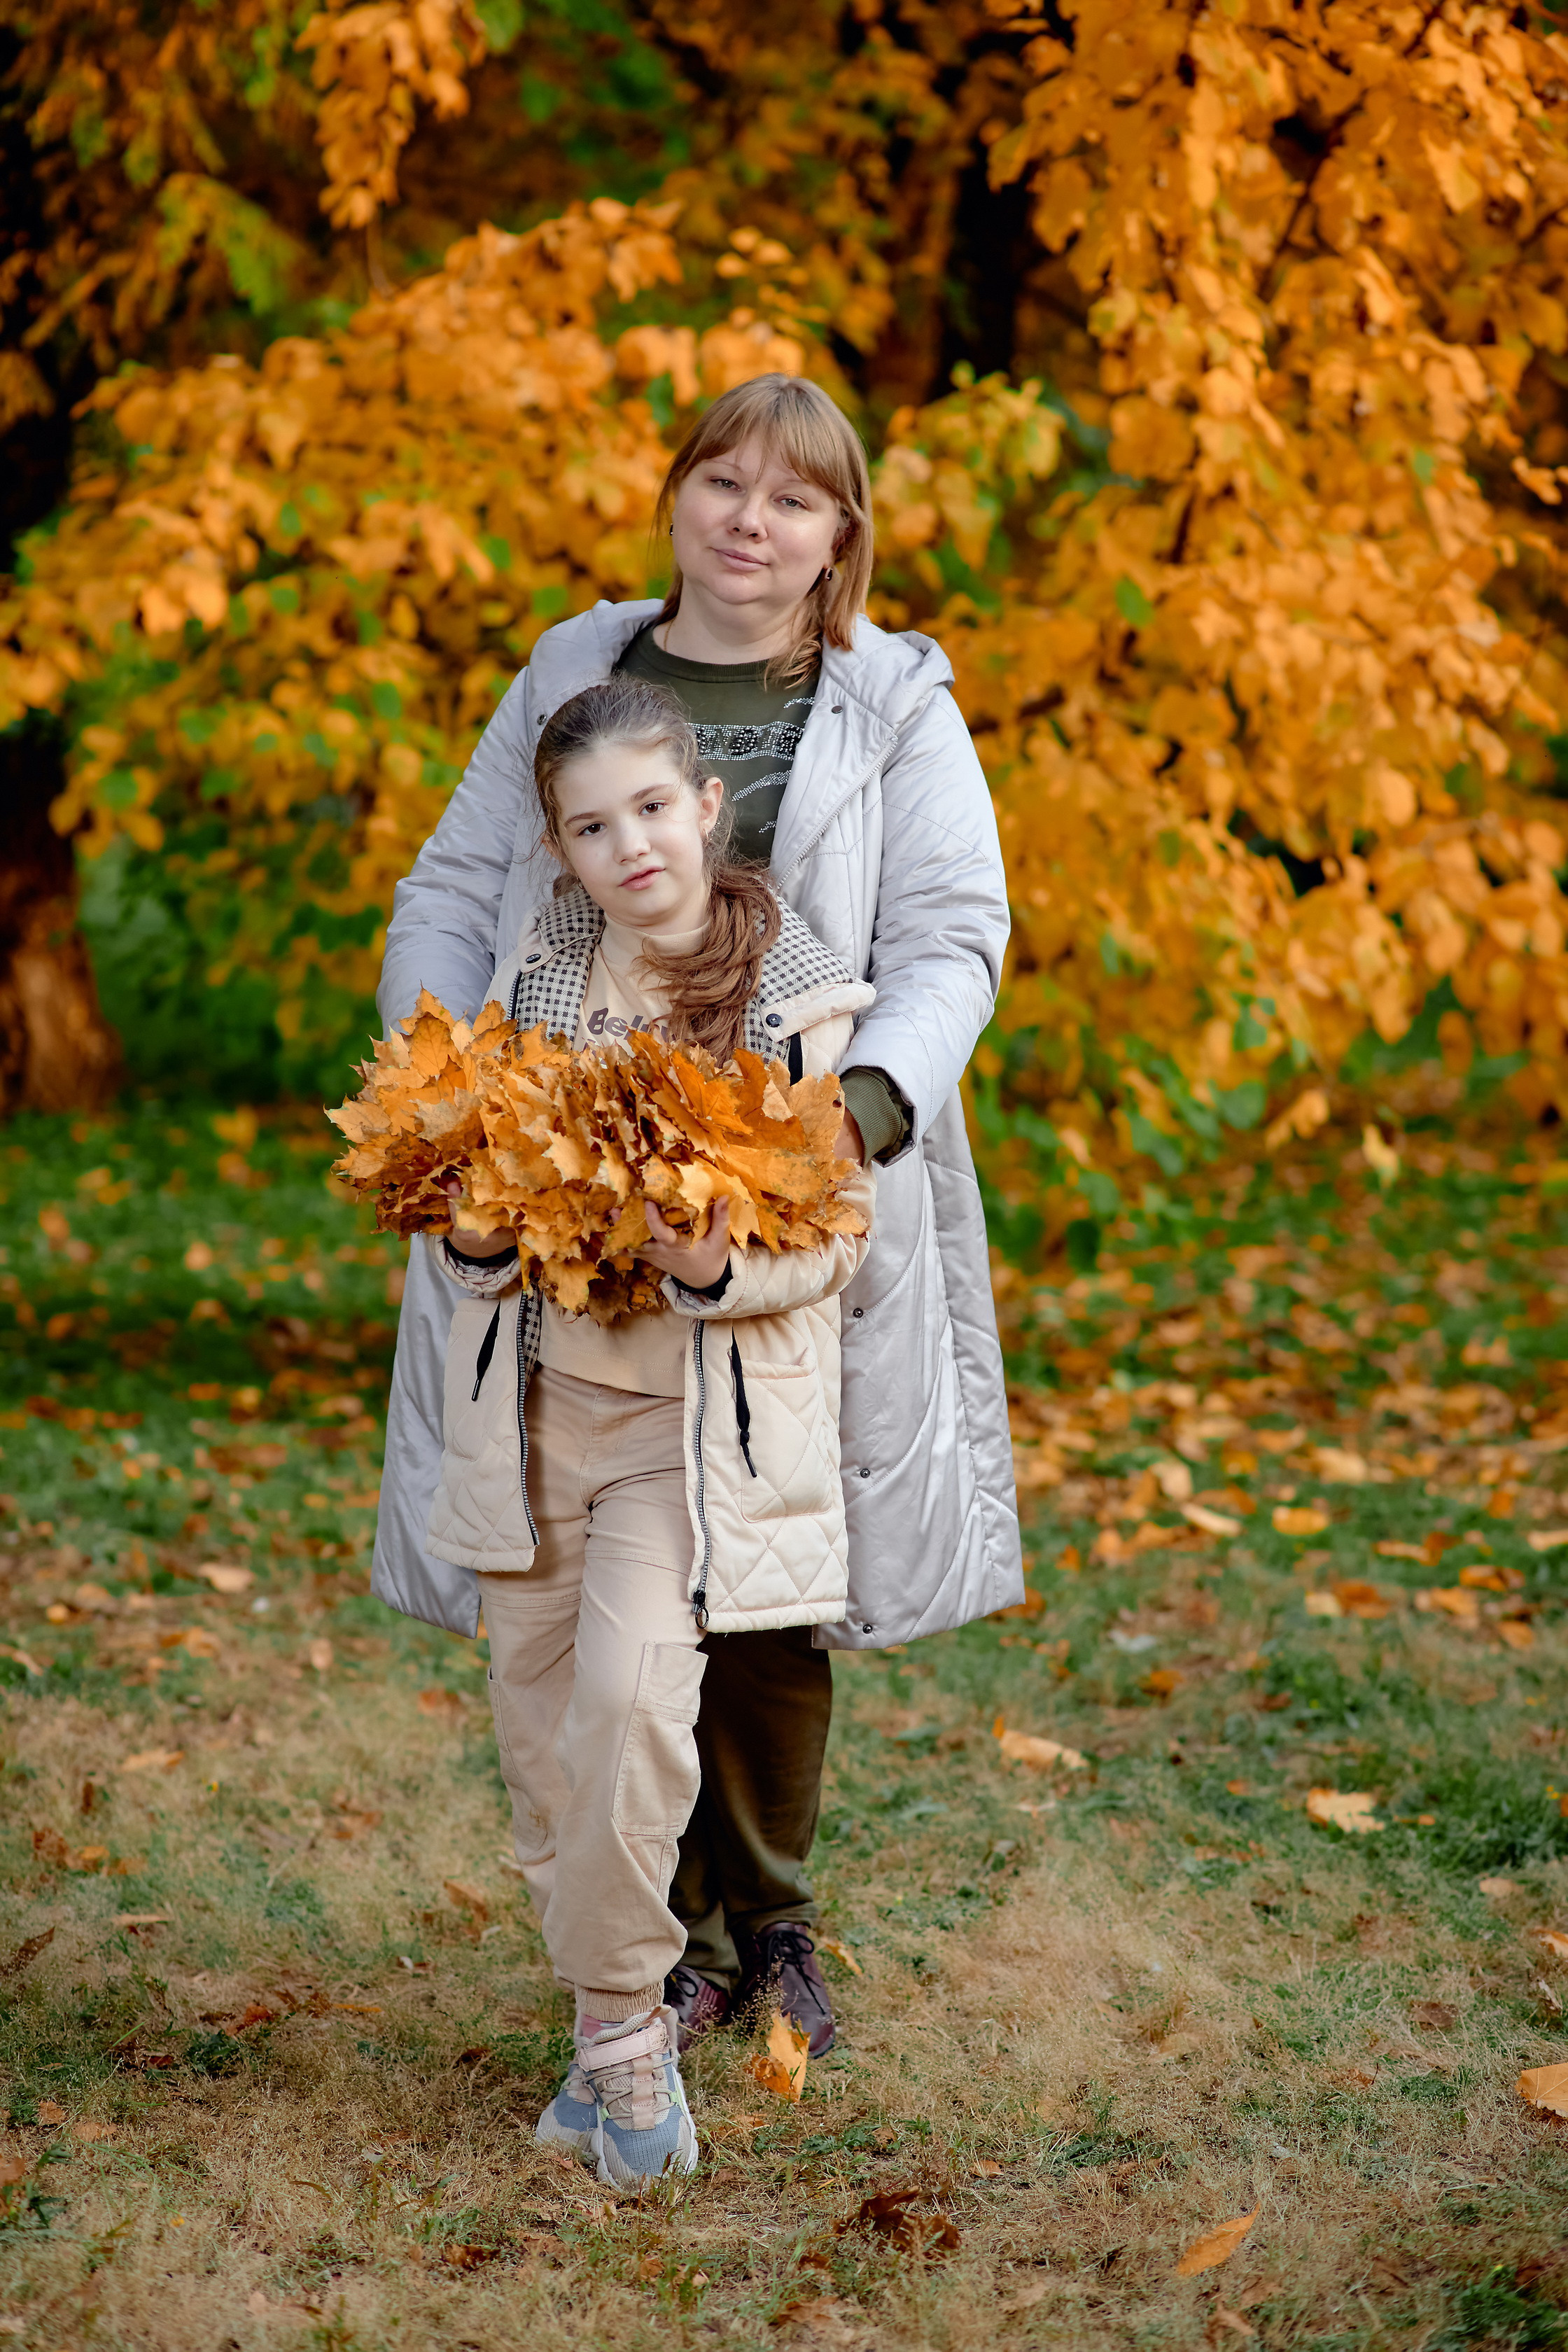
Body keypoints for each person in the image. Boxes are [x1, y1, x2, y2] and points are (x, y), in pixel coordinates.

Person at [372, 371, 1021, 2061]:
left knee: (770, 1557)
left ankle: (771, 1921)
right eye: (723, 482)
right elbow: (452, 884)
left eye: (793, 498)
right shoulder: (573, 669)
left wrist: (846, 1120)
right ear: (675, 495)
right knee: (588, 1563)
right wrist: (451, 1093)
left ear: (838, 533)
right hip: (573, 1175)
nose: (751, 521)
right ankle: (644, 1941)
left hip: (787, 1178)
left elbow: (952, 933)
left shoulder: (889, 700)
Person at [424, 676, 875, 2183]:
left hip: (685, 1438)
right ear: (559, 848)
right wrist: (474, 1239)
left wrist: (718, 1265)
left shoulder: (794, 1003)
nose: (630, 846)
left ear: (708, 808)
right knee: (549, 1758)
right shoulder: (537, 985)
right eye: (590, 826)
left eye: (653, 808)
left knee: (627, 1708)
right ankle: (615, 2039)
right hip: (532, 1419)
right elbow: (473, 1219)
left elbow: (839, 1237)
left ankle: (622, 2050)